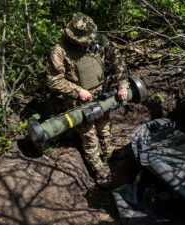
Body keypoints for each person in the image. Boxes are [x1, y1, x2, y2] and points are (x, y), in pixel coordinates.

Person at [47, 12, 129, 186]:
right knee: (89, 135)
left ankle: (109, 153)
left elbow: (117, 59)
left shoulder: (98, 39)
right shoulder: (59, 51)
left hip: (101, 93)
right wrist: (78, 91)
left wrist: (123, 84)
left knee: (105, 124)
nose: (86, 42)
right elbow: (54, 80)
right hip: (79, 100)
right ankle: (99, 170)